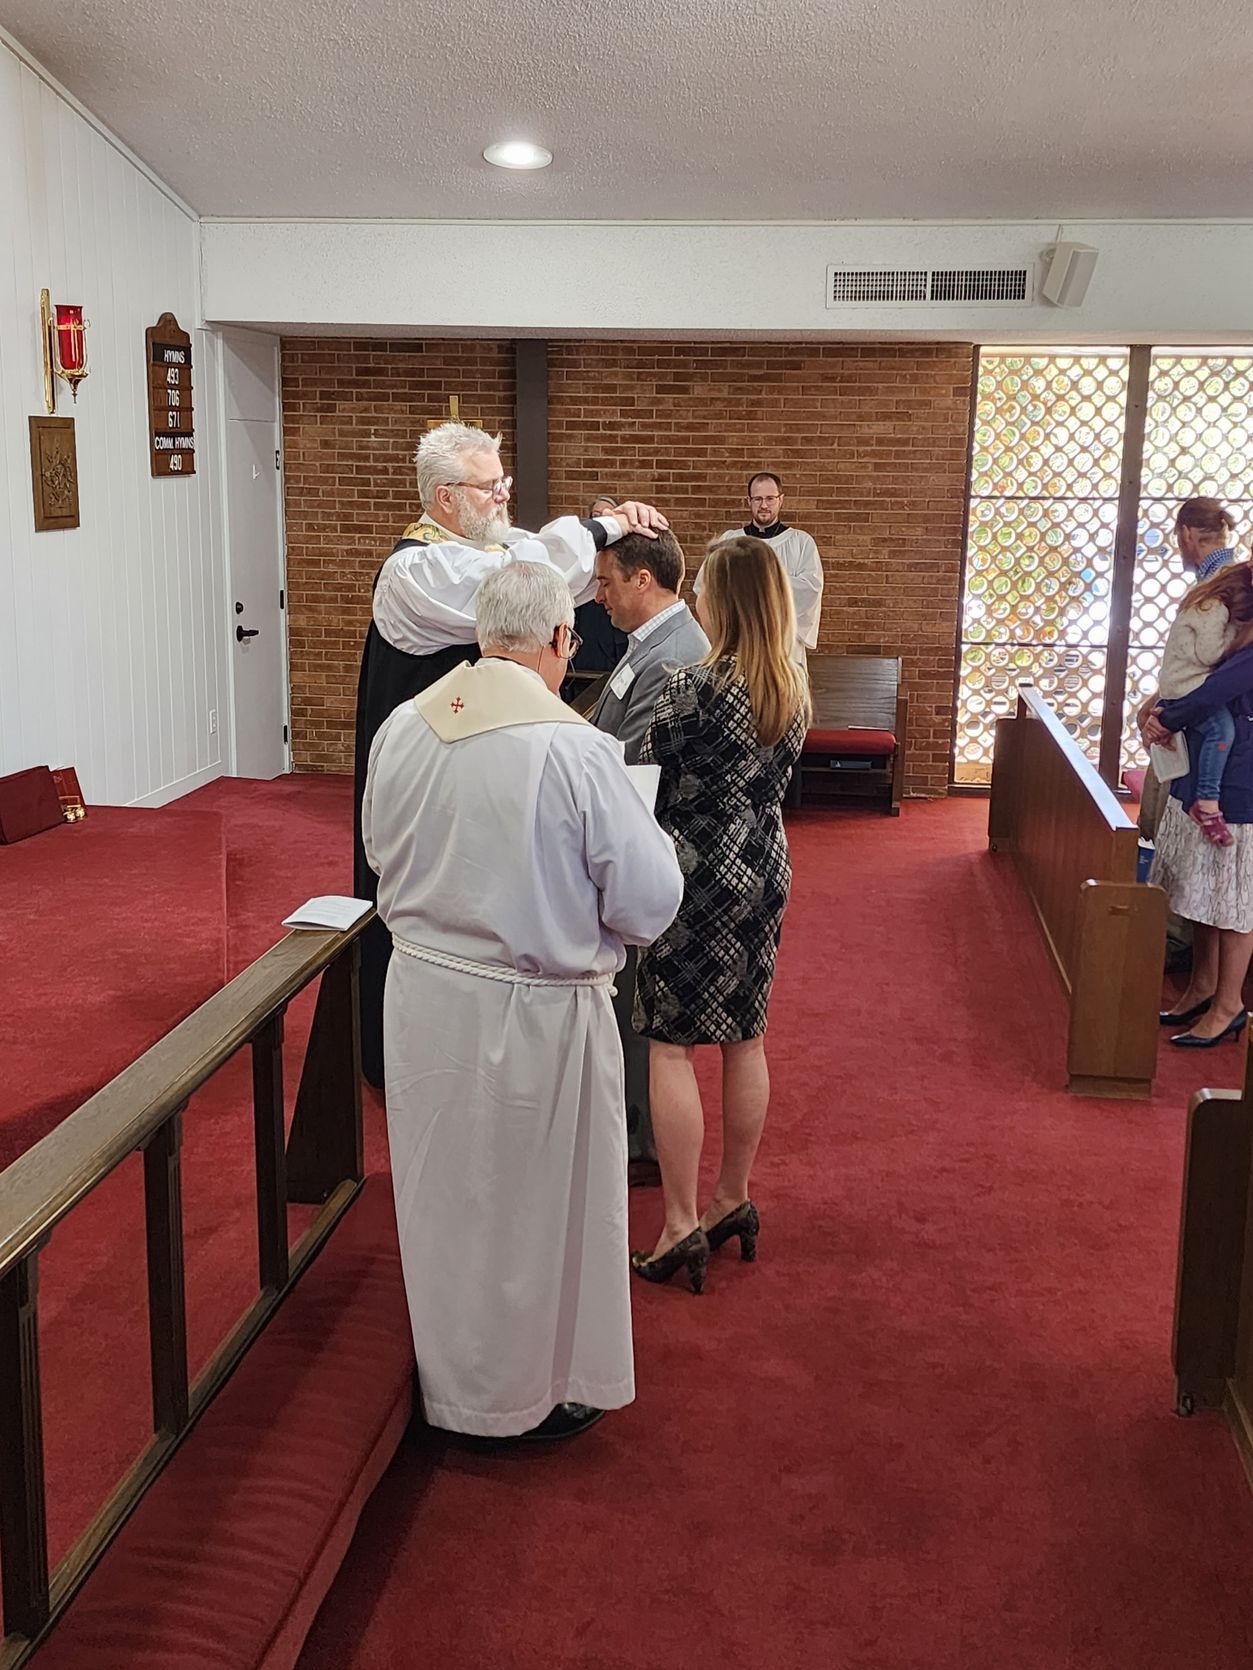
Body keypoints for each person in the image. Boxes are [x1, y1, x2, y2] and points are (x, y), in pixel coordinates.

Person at [362, 562, 683, 1441]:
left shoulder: (403, 726)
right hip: (530, 1016)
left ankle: (450, 1380)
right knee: (534, 1208)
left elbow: (378, 853)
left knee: (447, 1198)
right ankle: (521, 1397)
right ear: (558, 641)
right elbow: (648, 903)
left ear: (478, 637)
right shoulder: (574, 748)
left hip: (422, 997)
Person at [352, 421, 667, 1086]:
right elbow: (525, 578)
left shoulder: (496, 547)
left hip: (485, 771)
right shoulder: (415, 569)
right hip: (434, 767)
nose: (502, 497)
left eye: (504, 484)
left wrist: (609, 525)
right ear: (444, 498)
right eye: (489, 487)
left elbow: (555, 573)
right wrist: (599, 528)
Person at [630, 535, 811, 1292]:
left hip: (695, 873)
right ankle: (731, 1196)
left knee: (670, 1046)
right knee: (745, 1037)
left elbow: (637, 764)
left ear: (721, 600)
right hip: (764, 867)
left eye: (703, 585)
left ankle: (677, 1225)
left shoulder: (693, 686)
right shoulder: (790, 685)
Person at [589, 529, 710, 1185]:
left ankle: (640, 1142)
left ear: (643, 580)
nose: (598, 594)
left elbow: (634, 760)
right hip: (634, 834)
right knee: (631, 998)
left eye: (607, 581)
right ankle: (630, 1124)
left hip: (647, 839)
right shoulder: (650, 643)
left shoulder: (672, 654)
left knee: (643, 1002)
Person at [1144, 569, 1253, 1051]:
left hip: (1240, 785)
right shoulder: (1236, 612)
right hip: (1206, 775)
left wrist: (1164, 717)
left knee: (1232, 904)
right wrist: (1160, 711)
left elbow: (1212, 692)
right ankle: (1203, 985)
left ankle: (1229, 1006)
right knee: (1203, 893)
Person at [1139, 498, 1241, 847]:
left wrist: (1169, 713)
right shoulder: (1217, 581)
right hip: (1187, 702)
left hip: (1213, 719)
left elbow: (1220, 663)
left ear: (1186, 533)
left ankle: (1205, 803)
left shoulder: (1223, 585)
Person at [695, 472, 824, 667]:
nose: (764, 505)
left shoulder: (801, 542)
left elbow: (811, 589)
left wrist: (752, 582)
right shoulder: (729, 541)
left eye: (770, 498)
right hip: (737, 644)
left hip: (783, 645)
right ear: (749, 501)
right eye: (758, 499)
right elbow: (706, 587)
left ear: (781, 500)